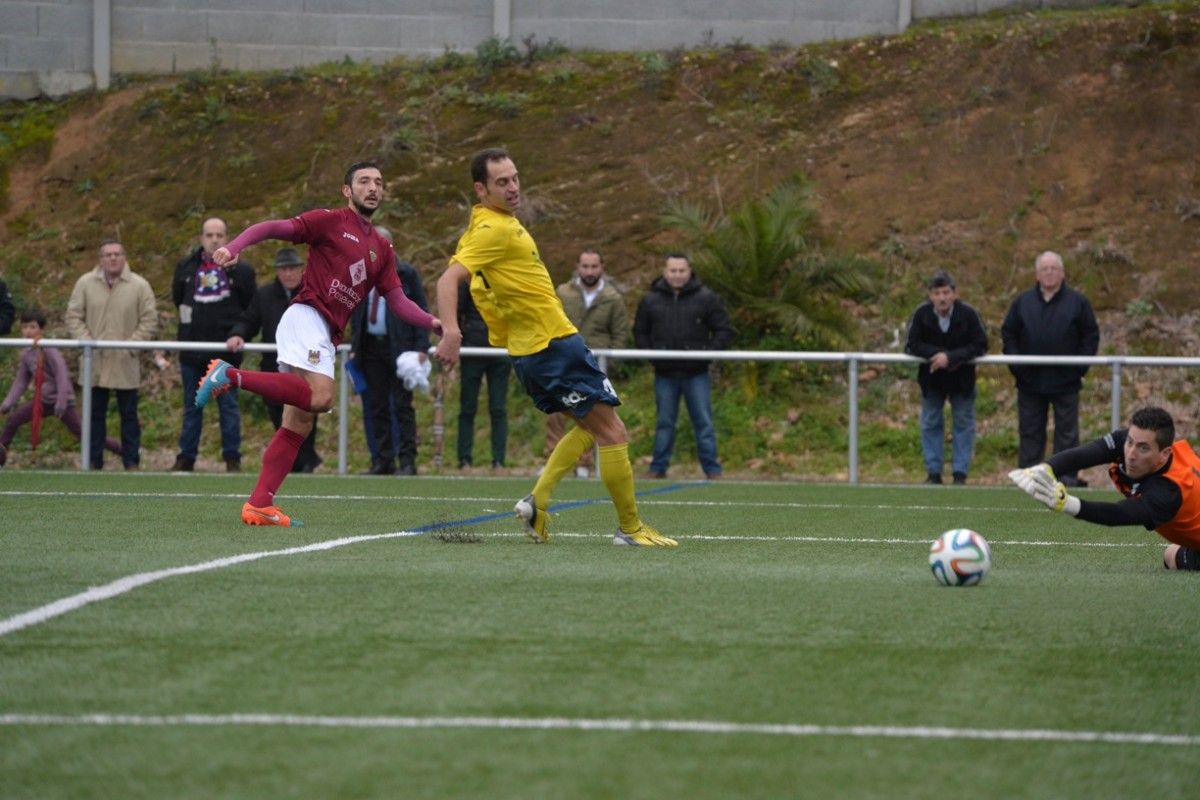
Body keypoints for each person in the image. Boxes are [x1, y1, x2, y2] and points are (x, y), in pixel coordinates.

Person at [434, 147, 675, 547]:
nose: (513, 187)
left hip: (535, 350)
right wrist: (452, 332)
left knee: (588, 426)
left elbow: (485, 287)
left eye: (514, 178)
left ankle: (538, 502)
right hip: (552, 346)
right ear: (481, 189)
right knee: (614, 433)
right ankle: (630, 529)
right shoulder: (493, 231)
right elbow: (448, 280)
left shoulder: (485, 225)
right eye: (501, 182)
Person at [196, 161, 440, 527]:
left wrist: (433, 322)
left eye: (378, 182)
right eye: (364, 181)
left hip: (324, 331)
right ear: (347, 190)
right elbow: (274, 227)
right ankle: (230, 375)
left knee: (299, 422)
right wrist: (235, 245)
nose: (373, 187)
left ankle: (260, 503)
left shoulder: (382, 248)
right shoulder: (330, 221)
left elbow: (398, 299)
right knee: (321, 398)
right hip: (307, 315)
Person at [1009, 406, 1200, 571]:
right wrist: (1046, 468)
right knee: (1171, 554)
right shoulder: (1135, 442)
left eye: (1143, 448)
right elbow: (1091, 452)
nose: (1131, 454)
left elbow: (1119, 514)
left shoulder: (1170, 491)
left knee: (1171, 557)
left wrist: (1067, 503)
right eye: (1130, 442)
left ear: (1164, 454)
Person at [1001, 250, 1100, 487]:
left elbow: (1090, 336)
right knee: (1030, 432)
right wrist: (1018, 366)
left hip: (1066, 381)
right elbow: (1009, 334)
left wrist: (1079, 368)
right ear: (1037, 274)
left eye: (1054, 268)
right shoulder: (1022, 303)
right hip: (1030, 382)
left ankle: (1065, 477)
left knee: (1067, 433)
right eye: (1045, 269)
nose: (1049, 273)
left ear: (1062, 273)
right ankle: (1029, 478)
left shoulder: (1078, 302)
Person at [633, 253, 735, 480]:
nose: (677, 275)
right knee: (664, 422)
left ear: (689, 271)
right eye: (672, 270)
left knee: (703, 422)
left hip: (696, 373)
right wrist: (653, 357)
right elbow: (640, 332)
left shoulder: (706, 298)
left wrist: (707, 354)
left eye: (681, 270)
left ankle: (712, 469)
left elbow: (724, 330)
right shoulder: (650, 300)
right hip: (665, 374)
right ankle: (658, 467)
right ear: (664, 271)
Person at [170, 217, 257, 472]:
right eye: (209, 235)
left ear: (227, 238)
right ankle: (186, 458)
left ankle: (232, 459)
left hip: (224, 352)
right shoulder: (186, 267)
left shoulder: (242, 271)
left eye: (220, 235)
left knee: (228, 408)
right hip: (192, 350)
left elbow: (250, 308)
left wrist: (239, 333)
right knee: (192, 407)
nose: (214, 240)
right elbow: (179, 300)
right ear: (201, 238)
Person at [225, 247, 321, 473]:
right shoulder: (265, 295)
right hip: (275, 369)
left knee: (306, 416)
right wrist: (238, 333)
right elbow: (249, 320)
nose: (288, 274)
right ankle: (295, 463)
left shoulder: (314, 294)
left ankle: (306, 463)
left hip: (307, 368)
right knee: (280, 419)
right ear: (277, 272)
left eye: (293, 268)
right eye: (284, 269)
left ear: (301, 270)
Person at [64, 239, 158, 470]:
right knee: (94, 416)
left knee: (129, 416)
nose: (113, 258)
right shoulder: (85, 283)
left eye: (117, 254)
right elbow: (73, 316)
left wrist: (131, 345)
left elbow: (149, 319)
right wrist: (87, 342)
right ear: (100, 259)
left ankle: (131, 462)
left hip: (125, 361)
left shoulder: (140, 286)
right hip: (94, 361)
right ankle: (94, 462)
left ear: (124, 257)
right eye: (108, 255)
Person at [349, 225, 431, 476]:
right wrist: (355, 346)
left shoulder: (407, 274)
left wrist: (421, 347)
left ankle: (407, 461)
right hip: (371, 349)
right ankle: (382, 460)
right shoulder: (359, 273)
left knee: (402, 405)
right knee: (376, 406)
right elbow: (354, 311)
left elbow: (421, 310)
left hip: (401, 348)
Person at [545, 248, 630, 478]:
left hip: (594, 366)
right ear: (577, 267)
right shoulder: (562, 292)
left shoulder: (612, 297)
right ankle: (551, 462)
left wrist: (612, 363)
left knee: (592, 415)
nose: (589, 271)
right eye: (585, 266)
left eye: (594, 266)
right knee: (554, 413)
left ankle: (584, 464)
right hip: (561, 361)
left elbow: (620, 333)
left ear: (602, 267)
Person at [0, 308, 121, 467]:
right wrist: (7, 404)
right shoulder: (27, 354)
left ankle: (122, 450)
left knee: (83, 433)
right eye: (25, 327)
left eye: (32, 327)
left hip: (61, 401)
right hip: (41, 401)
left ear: (41, 329)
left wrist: (62, 401)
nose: (28, 331)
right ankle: (1, 455)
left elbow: (61, 375)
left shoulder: (49, 349)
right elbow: (21, 381)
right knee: (13, 421)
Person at [904, 269, 989, 485]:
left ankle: (960, 473)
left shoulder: (969, 314)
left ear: (954, 293)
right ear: (930, 295)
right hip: (931, 380)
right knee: (930, 422)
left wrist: (950, 358)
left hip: (962, 381)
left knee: (963, 423)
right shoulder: (921, 314)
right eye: (937, 293)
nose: (942, 298)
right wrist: (936, 355)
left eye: (946, 292)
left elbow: (980, 344)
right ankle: (934, 473)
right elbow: (911, 344)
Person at [455, 280, 509, 469]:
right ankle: (464, 459)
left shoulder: (507, 276)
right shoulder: (469, 278)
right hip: (473, 349)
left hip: (501, 350)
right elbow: (457, 312)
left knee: (498, 407)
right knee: (468, 406)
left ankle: (499, 460)